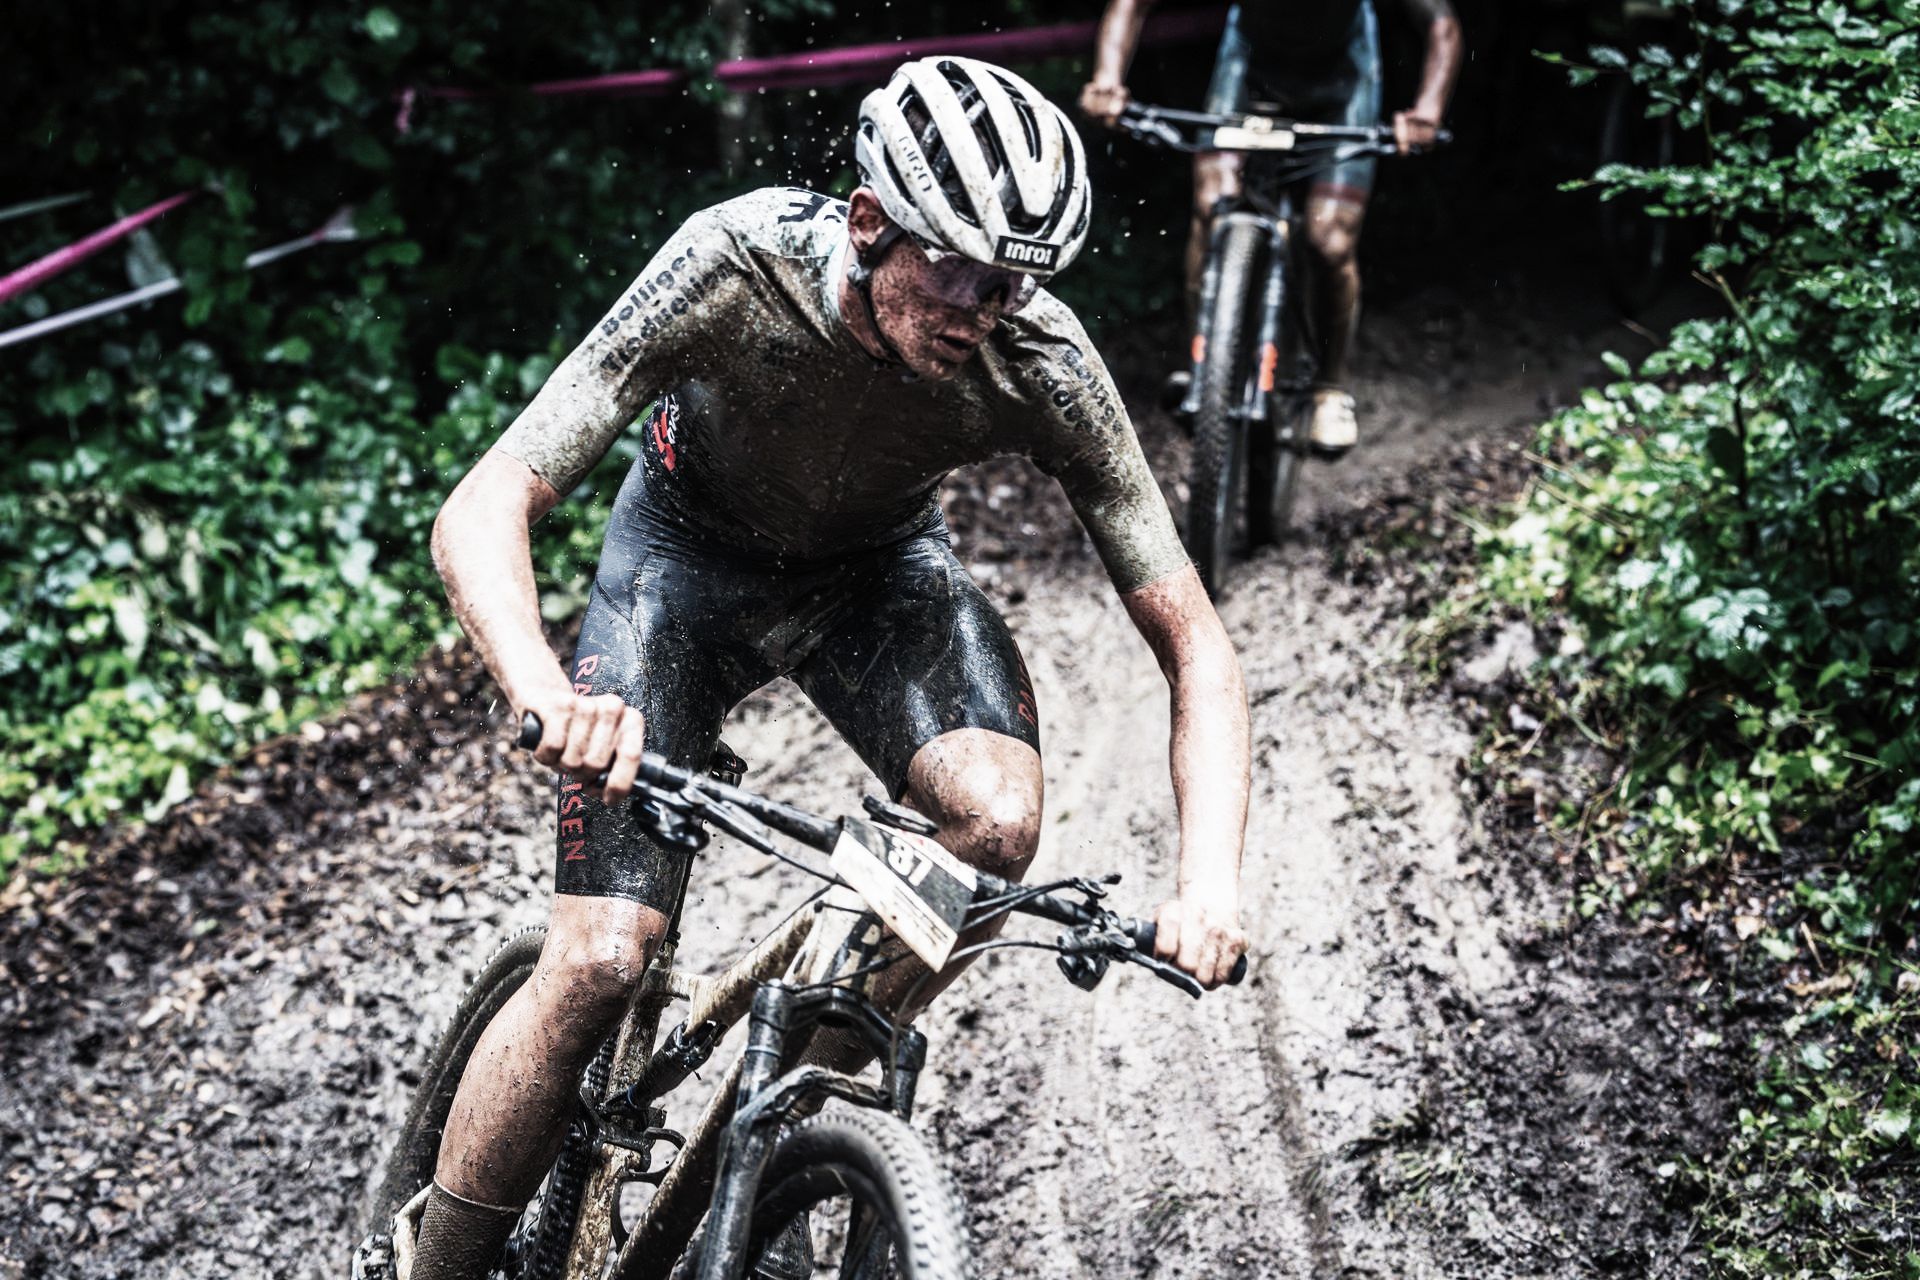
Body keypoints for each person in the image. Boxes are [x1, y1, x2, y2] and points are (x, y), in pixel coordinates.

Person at [414, 57, 1252, 1279]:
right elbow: (486, 500)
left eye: (1014, 280)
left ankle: (781, 1114)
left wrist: (1209, 884)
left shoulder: (1042, 360)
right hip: (679, 568)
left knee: (995, 821)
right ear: (868, 222)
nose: (983, 308)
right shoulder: (735, 264)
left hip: (876, 576)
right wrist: (542, 687)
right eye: (957, 267)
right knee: (599, 959)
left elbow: (1195, 641)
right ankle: (431, 1260)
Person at [1080, 0, 1462, 452]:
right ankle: (1206, 363)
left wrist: (1427, 110)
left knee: (1329, 241)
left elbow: (1440, 22)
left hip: (1343, 84)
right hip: (1249, 70)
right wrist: (1107, 80)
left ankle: (1329, 389)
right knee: (1213, 203)